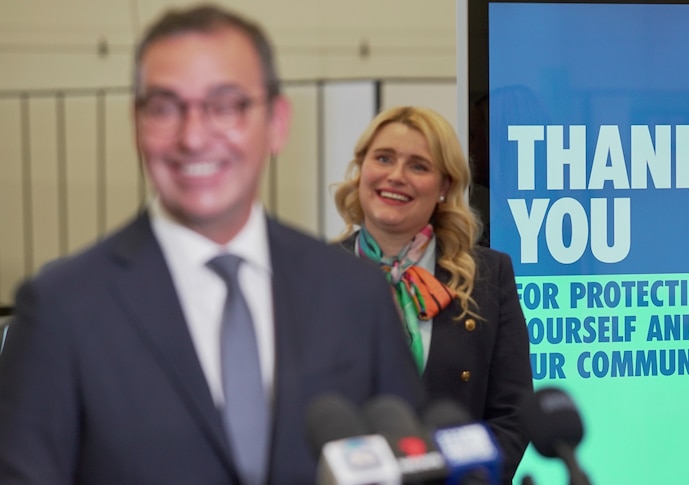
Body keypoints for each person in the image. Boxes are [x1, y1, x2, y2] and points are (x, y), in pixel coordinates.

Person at [0, 5, 423, 484]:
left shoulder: (354, 294)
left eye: (226, 105)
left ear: (277, 122)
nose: (194, 136)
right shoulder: (63, 308)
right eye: (164, 107)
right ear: (137, 124)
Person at [333, 105, 534, 483]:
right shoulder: (313, 275)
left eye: (419, 166)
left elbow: (513, 415)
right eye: (384, 158)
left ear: (444, 186)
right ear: (362, 169)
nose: (396, 176)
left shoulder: (491, 277)